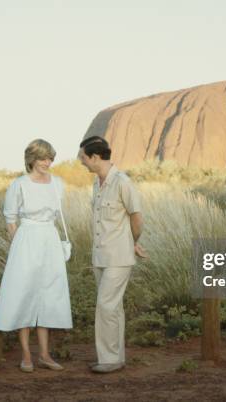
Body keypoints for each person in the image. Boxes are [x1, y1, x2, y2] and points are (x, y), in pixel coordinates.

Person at [0, 139, 72, 373]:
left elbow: (57, 215)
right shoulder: (19, 184)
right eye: (43, 158)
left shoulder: (58, 183)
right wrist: (20, 246)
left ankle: (45, 355)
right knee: (25, 293)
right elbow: (10, 219)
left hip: (49, 238)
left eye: (50, 158)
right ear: (32, 159)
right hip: (26, 239)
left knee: (48, 294)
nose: (48, 162)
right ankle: (26, 355)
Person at [77, 136, 147, 374]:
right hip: (100, 256)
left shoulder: (122, 182)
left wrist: (132, 242)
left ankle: (108, 360)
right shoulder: (97, 183)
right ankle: (117, 357)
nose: (81, 162)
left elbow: (137, 219)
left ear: (95, 157)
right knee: (113, 308)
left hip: (119, 256)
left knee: (106, 305)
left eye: (83, 157)